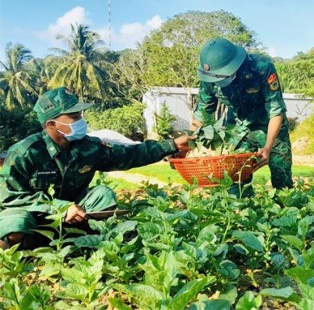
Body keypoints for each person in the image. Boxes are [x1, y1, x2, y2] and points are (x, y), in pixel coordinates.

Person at [0, 87, 193, 250]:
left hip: (75, 217)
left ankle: (79, 242)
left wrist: (173, 145)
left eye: (80, 115)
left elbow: (129, 155)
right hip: (36, 218)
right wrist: (59, 208)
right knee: (15, 223)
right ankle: (21, 254)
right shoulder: (25, 153)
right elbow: (10, 198)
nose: (81, 121)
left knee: (103, 195)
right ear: (51, 124)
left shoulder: (88, 147)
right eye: (74, 117)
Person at [192, 37, 293, 197]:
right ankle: (243, 217)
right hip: (237, 130)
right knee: (236, 182)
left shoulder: (261, 67)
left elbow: (276, 110)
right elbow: (202, 114)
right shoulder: (209, 78)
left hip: (270, 127)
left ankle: (284, 215)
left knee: (282, 181)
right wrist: (189, 145)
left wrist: (267, 147)